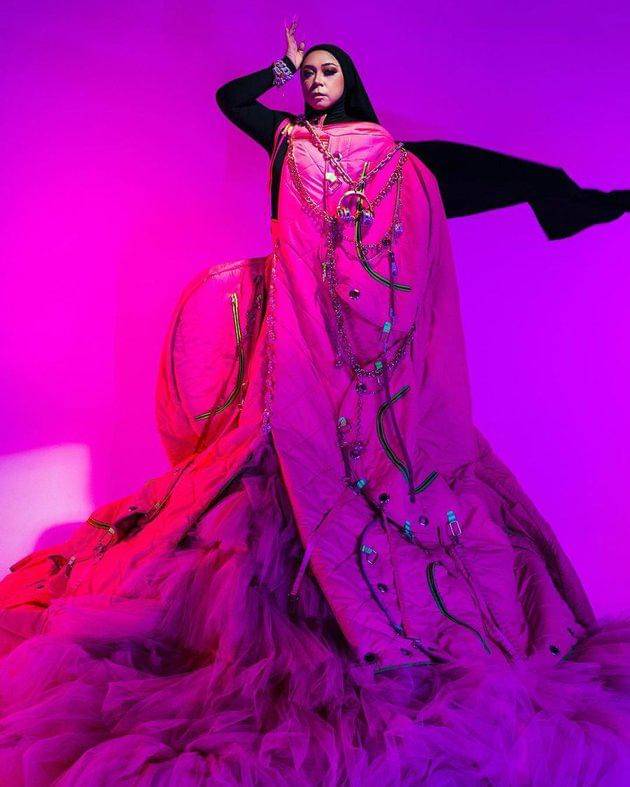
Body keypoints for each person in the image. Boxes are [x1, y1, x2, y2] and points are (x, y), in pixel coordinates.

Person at [0, 21, 628, 786]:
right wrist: (282, 67)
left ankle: (560, 198)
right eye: (312, 74)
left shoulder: (392, 160)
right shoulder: (289, 143)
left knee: (457, 173)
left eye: (329, 71)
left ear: (351, 82)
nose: (318, 80)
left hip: (378, 368)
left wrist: (536, 185)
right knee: (280, 493)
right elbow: (231, 100)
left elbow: (436, 186)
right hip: (300, 347)